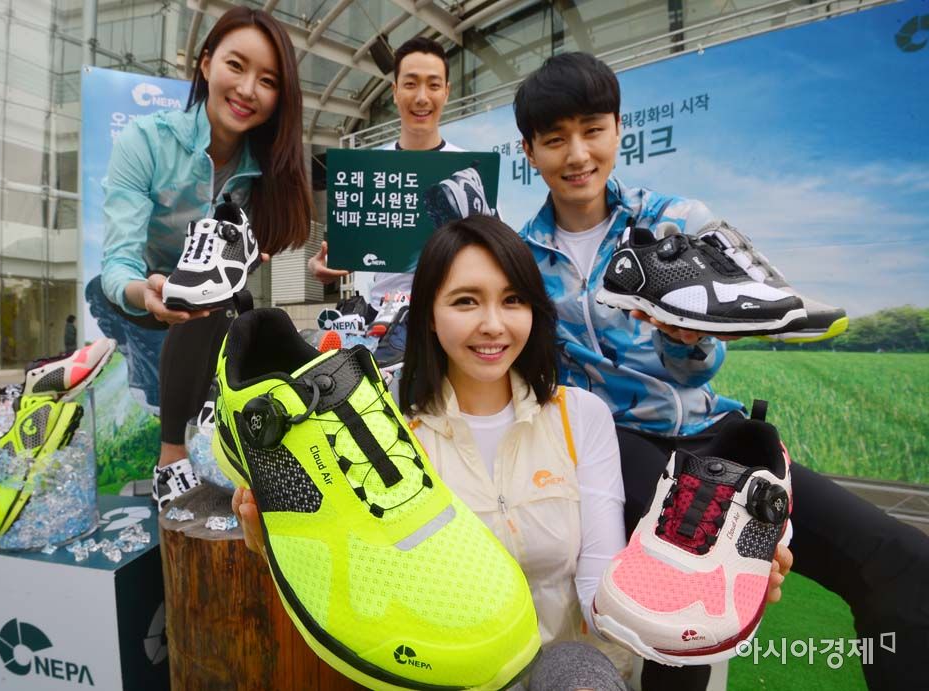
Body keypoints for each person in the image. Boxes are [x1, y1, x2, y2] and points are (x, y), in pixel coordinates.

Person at [512, 51, 928, 690]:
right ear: (529, 151)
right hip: (608, 446)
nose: (578, 154)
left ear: (619, 129)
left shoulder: (675, 222)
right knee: (687, 591)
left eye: (593, 130)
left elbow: (700, 366)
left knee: (902, 562)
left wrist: (687, 339)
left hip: (709, 432)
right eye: (554, 139)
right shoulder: (520, 256)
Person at [234, 215, 790, 689]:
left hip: (567, 665)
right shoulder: (380, 433)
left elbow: (598, 593)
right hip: (443, 671)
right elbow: (361, 587)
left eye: (513, 300)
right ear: (428, 314)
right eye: (466, 302)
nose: (493, 325)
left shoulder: (582, 417)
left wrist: (691, 595)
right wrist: (272, 546)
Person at [100, 6, 312, 508]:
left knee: (234, 307)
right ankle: (171, 456)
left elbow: (253, 255)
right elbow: (117, 264)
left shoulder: (270, 170)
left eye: (268, 80)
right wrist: (146, 292)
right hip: (141, 297)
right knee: (201, 298)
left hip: (210, 303)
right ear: (206, 63)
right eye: (236, 66)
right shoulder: (145, 142)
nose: (248, 90)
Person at [308, 36, 463, 303]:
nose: (422, 97)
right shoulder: (367, 172)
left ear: (446, 92)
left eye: (434, 85)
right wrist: (321, 263)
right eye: (410, 84)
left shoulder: (468, 171)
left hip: (452, 312)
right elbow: (350, 248)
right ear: (395, 91)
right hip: (384, 314)